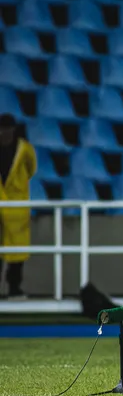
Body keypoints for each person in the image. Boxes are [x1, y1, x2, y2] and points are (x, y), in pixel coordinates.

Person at [0, 113, 37, 300]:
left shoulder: (25, 149)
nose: (5, 133)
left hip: (16, 206)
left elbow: (32, 169)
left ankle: (14, 289)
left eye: (8, 129)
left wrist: (19, 187)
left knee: (17, 252)